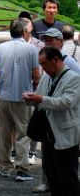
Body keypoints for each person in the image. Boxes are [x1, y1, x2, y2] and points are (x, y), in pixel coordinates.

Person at [23, 47, 80, 196]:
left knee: (68, 177)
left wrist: (40, 99)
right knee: (52, 176)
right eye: (41, 65)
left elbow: (66, 102)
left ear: (56, 60)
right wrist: (32, 99)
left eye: (45, 64)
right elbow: (41, 97)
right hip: (48, 135)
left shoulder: (73, 78)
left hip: (65, 135)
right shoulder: (46, 76)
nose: (43, 68)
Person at [0, 19, 40, 181]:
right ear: (24, 32)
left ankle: (4, 167)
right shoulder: (31, 49)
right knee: (23, 134)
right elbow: (37, 76)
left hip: (4, 96)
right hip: (23, 97)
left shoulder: (0, 48)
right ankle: (22, 169)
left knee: (4, 133)